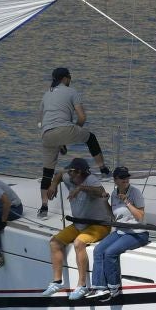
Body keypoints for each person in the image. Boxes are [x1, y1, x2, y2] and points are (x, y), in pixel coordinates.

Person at [40, 158, 112, 300]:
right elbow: (60, 173)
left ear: (79, 172)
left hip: (99, 224)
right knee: (55, 242)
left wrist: (80, 188)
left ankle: (82, 285)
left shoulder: (91, 180)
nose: (69, 173)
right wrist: (53, 185)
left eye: (71, 171)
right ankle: (57, 282)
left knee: (79, 243)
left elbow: (100, 191)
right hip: (79, 224)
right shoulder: (69, 177)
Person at [38, 66, 107, 209]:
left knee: (47, 172)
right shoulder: (71, 91)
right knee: (90, 137)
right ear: (65, 78)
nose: (70, 80)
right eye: (70, 77)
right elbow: (82, 117)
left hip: (46, 134)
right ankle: (103, 169)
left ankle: (44, 206)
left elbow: (41, 120)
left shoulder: (46, 94)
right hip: (64, 129)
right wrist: (76, 129)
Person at [88, 166, 150, 301]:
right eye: (122, 178)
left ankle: (114, 288)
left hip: (137, 233)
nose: (126, 180)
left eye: (127, 177)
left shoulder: (135, 193)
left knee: (110, 252)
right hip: (121, 231)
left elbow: (140, 217)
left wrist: (127, 201)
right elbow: (113, 217)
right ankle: (99, 287)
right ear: (115, 180)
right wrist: (105, 202)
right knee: (98, 250)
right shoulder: (114, 193)